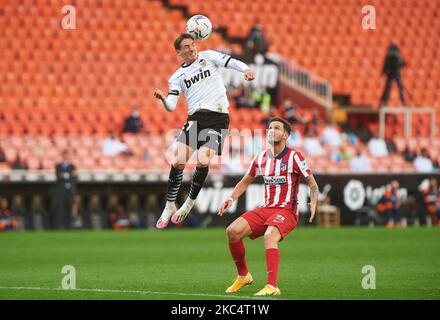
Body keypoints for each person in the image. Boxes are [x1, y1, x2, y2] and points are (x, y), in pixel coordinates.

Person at [153, 33, 255, 229]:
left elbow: (231, 62)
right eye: (186, 47)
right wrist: (164, 99)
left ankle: (189, 204)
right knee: (177, 160)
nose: (191, 48)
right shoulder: (176, 77)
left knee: (203, 160)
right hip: (196, 118)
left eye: (192, 45)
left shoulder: (208, 56)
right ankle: (169, 205)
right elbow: (171, 106)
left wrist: (246, 69)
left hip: (218, 118)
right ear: (178, 52)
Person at [218, 118, 319, 296]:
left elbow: (312, 184)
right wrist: (230, 198)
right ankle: (243, 276)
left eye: (277, 128)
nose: (271, 131)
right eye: (270, 128)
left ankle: (272, 285)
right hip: (266, 208)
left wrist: (313, 202)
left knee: (269, 236)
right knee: (232, 231)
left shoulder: (295, 157)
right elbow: (245, 180)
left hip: (287, 210)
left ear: (286, 135)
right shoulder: (261, 157)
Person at [54, 149, 77, 229]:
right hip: (61, 190)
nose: (66, 156)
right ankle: (60, 225)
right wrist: (68, 175)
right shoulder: (58, 166)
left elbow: (74, 176)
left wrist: (64, 175)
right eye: (64, 154)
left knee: (70, 207)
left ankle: (69, 225)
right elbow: (58, 176)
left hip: (70, 190)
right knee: (60, 207)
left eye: (67, 154)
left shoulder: (72, 166)